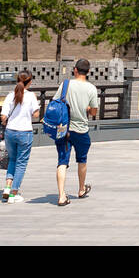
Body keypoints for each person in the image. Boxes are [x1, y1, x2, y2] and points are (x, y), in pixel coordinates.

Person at [55, 58, 99, 206]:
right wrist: (86, 108)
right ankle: (81, 189)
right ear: (88, 72)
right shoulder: (91, 89)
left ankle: (61, 196)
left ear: (75, 69)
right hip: (81, 130)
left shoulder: (65, 84)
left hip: (64, 129)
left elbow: (55, 102)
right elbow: (93, 112)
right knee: (82, 160)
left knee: (62, 162)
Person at [0, 70, 40, 203]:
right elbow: (36, 115)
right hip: (25, 132)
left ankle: (7, 187)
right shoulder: (31, 96)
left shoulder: (10, 95)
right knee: (21, 163)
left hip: (10, 131)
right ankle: (13, 194)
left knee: (12, 160)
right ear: (30, 82)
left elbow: (3, 117)